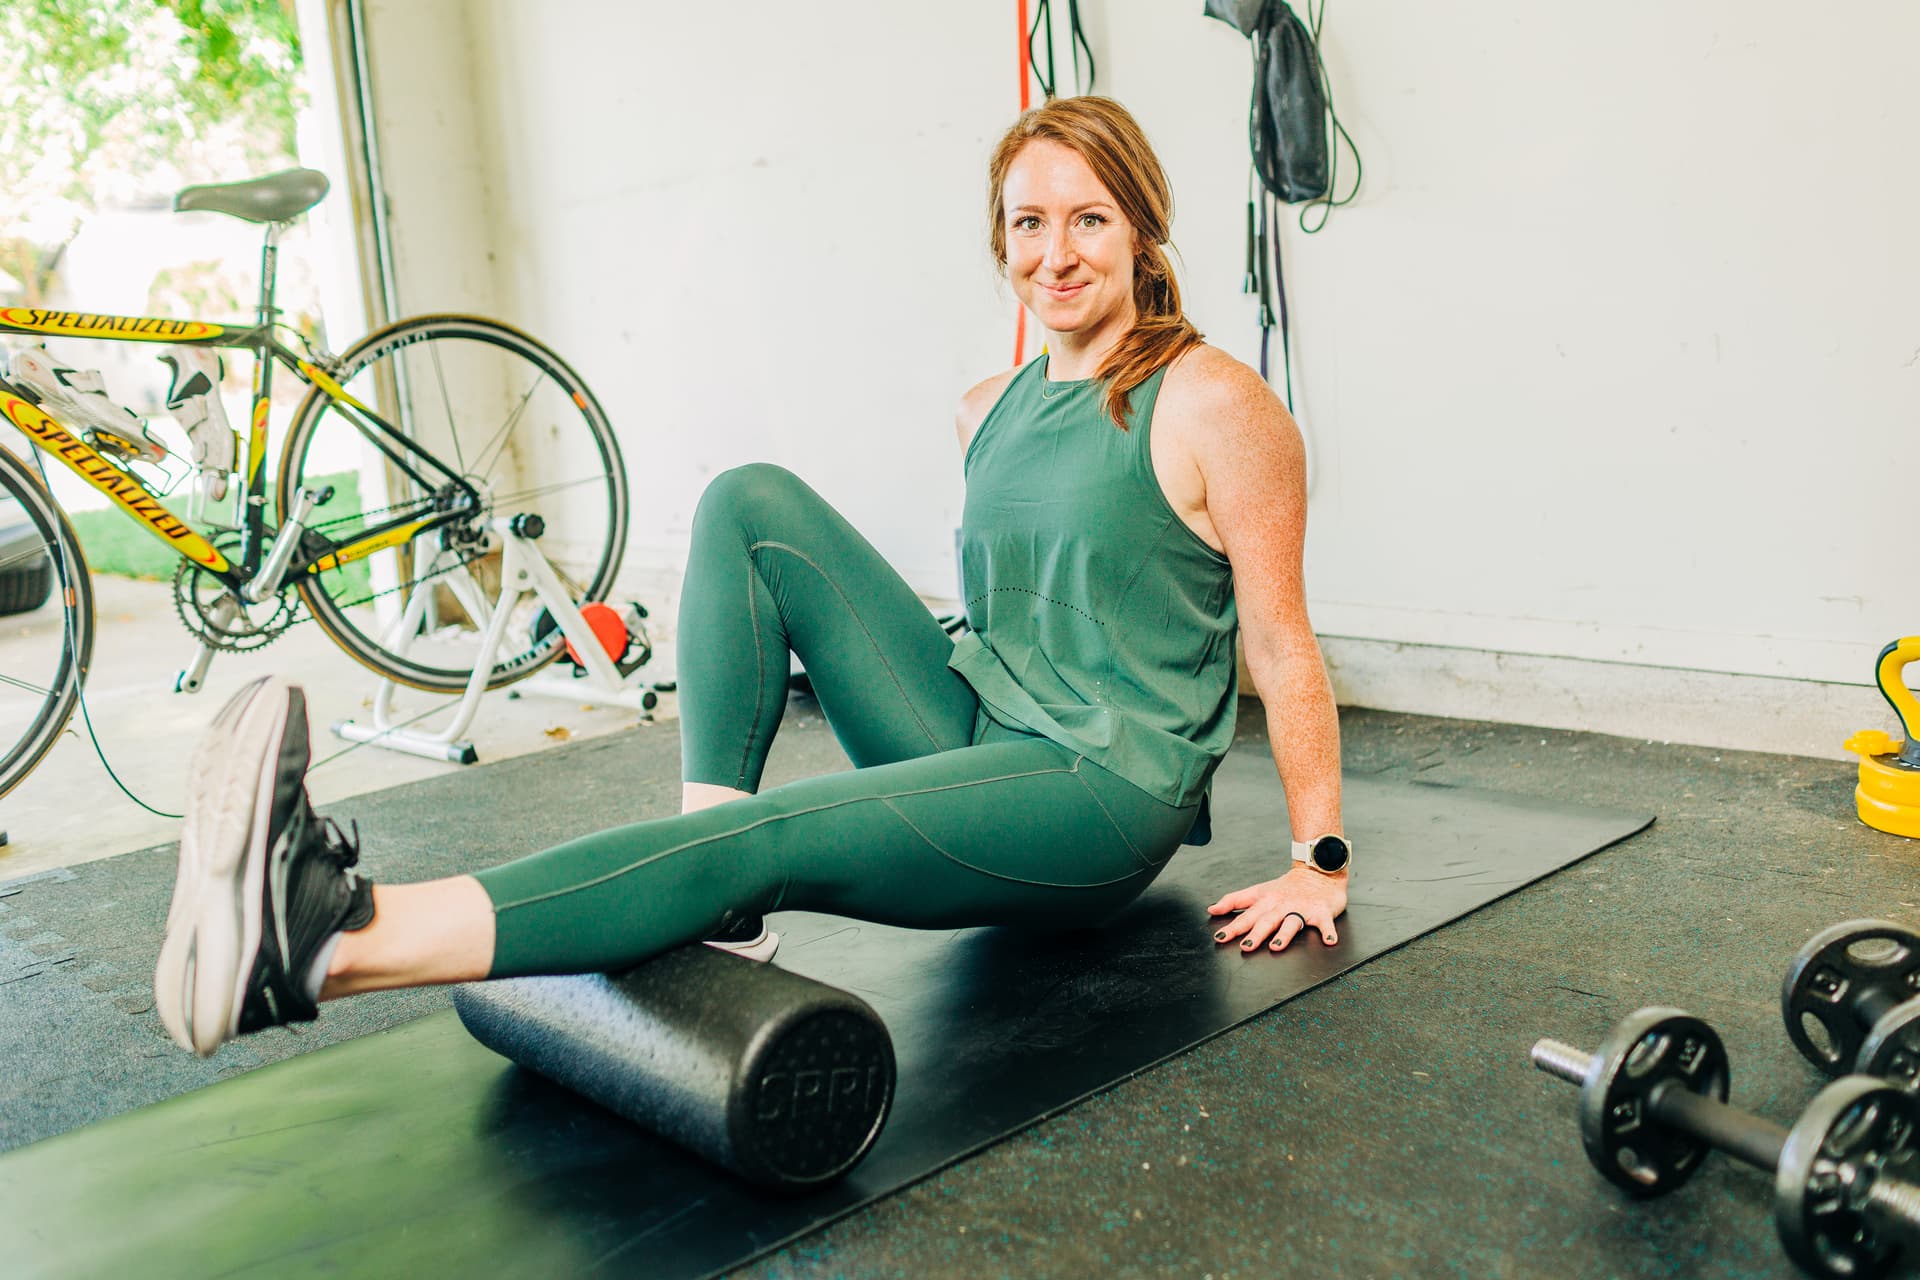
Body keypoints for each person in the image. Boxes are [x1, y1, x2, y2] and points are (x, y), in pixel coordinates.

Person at [152, 96, 1348, 1059]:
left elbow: (1281, 640)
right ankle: (708, 886)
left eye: (1089, 219)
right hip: (982, 720)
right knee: (748, 499)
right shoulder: (989, 405)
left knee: (773, 834)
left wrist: (1318, 861)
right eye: (1028, 223)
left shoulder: (1213, 401)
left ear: (1141, 229)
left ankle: (334, 940)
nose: (1057, 252)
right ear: (1002, 243)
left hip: (1098, 787)